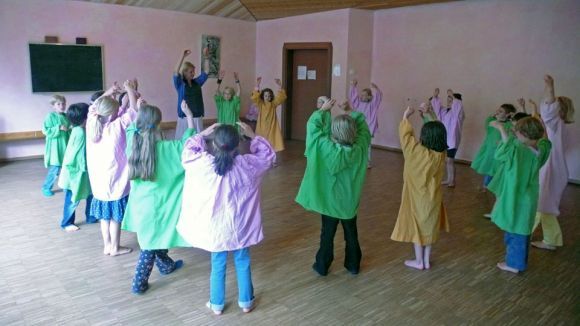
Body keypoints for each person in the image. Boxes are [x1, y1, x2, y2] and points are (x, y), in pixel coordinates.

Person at [176, 122, 275, 315]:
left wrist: (203, 134)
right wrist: (253, 135)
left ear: (213, 144)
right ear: (237, 144)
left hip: (217, 229)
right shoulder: (248, 165)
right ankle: (246, 302)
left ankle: (217, 304)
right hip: (241, 226)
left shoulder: (203, 164)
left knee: (218, 263)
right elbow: (268, 157)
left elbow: (187, 151)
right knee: (242, 261)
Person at [122, 100, 196, 294]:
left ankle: (166, 265)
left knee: (154, 237)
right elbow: (188, 144)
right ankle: (138, 283)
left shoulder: (132, 142)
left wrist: (139, 109)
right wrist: (189, 117)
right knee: (149, 245)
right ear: (158, 124)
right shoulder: (165, 149)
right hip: (160, 205)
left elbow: (131, 128)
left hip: (141, 205)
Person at [295, 99, 371, 276]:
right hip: (349, 202)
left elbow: (313, 129)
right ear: (353, 131)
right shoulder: (360, 146)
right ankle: (353, 265)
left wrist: (323, 110)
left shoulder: (324, 146)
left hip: (329, 202)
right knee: (351, 233)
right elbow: (364, 128)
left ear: (333, 132)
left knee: (327, 234)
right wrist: (350, 110)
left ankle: (322, 266)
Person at [487, 117, 551, 273]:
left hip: (515, 196)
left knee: (516, 232)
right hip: (529, 197)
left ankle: (514, 264)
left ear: (522, 134)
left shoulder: (518, 150)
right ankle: (517, 261)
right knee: (521, 230)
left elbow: (501, 154)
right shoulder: (540, 151)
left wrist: (502, 129)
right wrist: (543, 129)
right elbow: (546, 142)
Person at [391, 106, 449, 270]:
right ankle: (426, 260)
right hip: (433, 198)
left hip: (416, 198)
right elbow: (437, 129)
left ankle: (418, 261)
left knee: (417, 228)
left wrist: (405, 116)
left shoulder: (415, 152)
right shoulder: (441, 154)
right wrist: (430, 114)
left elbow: (405, 136)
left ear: (423, 137)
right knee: (429, 227)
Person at [86, 80, 137, 256]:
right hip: (115, 181)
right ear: (112, 114)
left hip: (99, 183)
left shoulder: (92, 124)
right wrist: (130, 89)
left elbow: (94, 106)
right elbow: (134, 111)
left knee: (104, 217)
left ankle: (107, 245)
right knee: (115, 217)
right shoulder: (116, 127)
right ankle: (115, 247)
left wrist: (109, 92)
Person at [531, 75, 575, 251]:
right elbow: (543, 119)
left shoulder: (557, 122)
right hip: (556, 169)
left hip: (552, 169)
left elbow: (549, 109)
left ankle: (522, 232)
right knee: (546, 207)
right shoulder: (560, 125)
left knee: (541, 203)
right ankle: (551, 240)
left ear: (558, 109)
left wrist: (550, 86)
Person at [57, 103, 95, 231]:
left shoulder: (79, 129)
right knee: (72, 199)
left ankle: (91, 217)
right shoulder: (79, 132)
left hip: (82, 172)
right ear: (85, 118)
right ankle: (66, 223)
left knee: (91, 194)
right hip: (75, 173)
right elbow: (76, 155)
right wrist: (84, 167)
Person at [471, 104, 516, 191]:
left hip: (500, 151)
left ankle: (495, 186)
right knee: (489, 168)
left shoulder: (509, 125)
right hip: (489, 150)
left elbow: (509, 138)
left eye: (501, 111)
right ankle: (486, 185)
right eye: (498, 110)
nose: (498, 112)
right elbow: (488, 122)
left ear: (507, 114)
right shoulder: (493, 122)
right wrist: (494, 115)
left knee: (496, 168)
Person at [173, 48, 210, 139]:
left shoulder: (197, 82)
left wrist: (206, 57)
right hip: (185, 117)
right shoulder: (180, 83)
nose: (193, 73)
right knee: (184, 140)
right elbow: (175, 72)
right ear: (184, 72)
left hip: (197, 116)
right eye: (191, 71)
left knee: (197, 140)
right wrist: (183, 56)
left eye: (193, 71)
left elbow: (206, 72)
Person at [349, 79, 382, 167]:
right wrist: (353, 86)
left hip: (368, 128)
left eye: (364, 95)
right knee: (357, 143)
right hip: (358, 127)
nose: (362, 96)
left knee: (367, 145)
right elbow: (353, 98)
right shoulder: (358, 104)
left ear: (369, 97)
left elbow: (378, 97)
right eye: (361, 95)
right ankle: (357, 159)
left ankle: (367, 162)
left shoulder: (372, 105)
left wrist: (376, 89)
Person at [41, 94, 70, 197]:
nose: (62, 106)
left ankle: (66, 186)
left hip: (65, 146)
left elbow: (69, 130)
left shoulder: (66, 116)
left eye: (63, 103)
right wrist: (58, 128)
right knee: (55, 169)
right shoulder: (50, 116)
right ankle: (46, 187)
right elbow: (45, 130)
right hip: (55, 148)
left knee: (67, 168)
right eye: (59, 104)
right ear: (54, 105)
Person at [435, 89, 465, 187]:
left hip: (453, 140)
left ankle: (452, 181)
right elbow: (438, 112)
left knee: (450, 160)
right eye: (447, 100)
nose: (448, 102)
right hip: (446, 139)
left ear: (456, 102)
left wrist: (452, 95)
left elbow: (458, 105)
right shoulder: (445, 111)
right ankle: (449, 179)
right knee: (448, 161)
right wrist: (435, 97)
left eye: (451, 101)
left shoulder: (458, 113)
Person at [251, 77, 287, 156]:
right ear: (263, 96)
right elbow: (255, 98)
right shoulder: (260, 103)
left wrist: (279, 86)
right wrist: (257, 85)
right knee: (261, 142)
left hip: (271, 126)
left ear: (271, 97)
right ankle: (261, 156)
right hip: (262, 127)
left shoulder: (273, 104)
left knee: (271, 142)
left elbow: (281, 98)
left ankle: (271, 158)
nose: (267, 97)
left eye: (269, 96)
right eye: (265, 96)